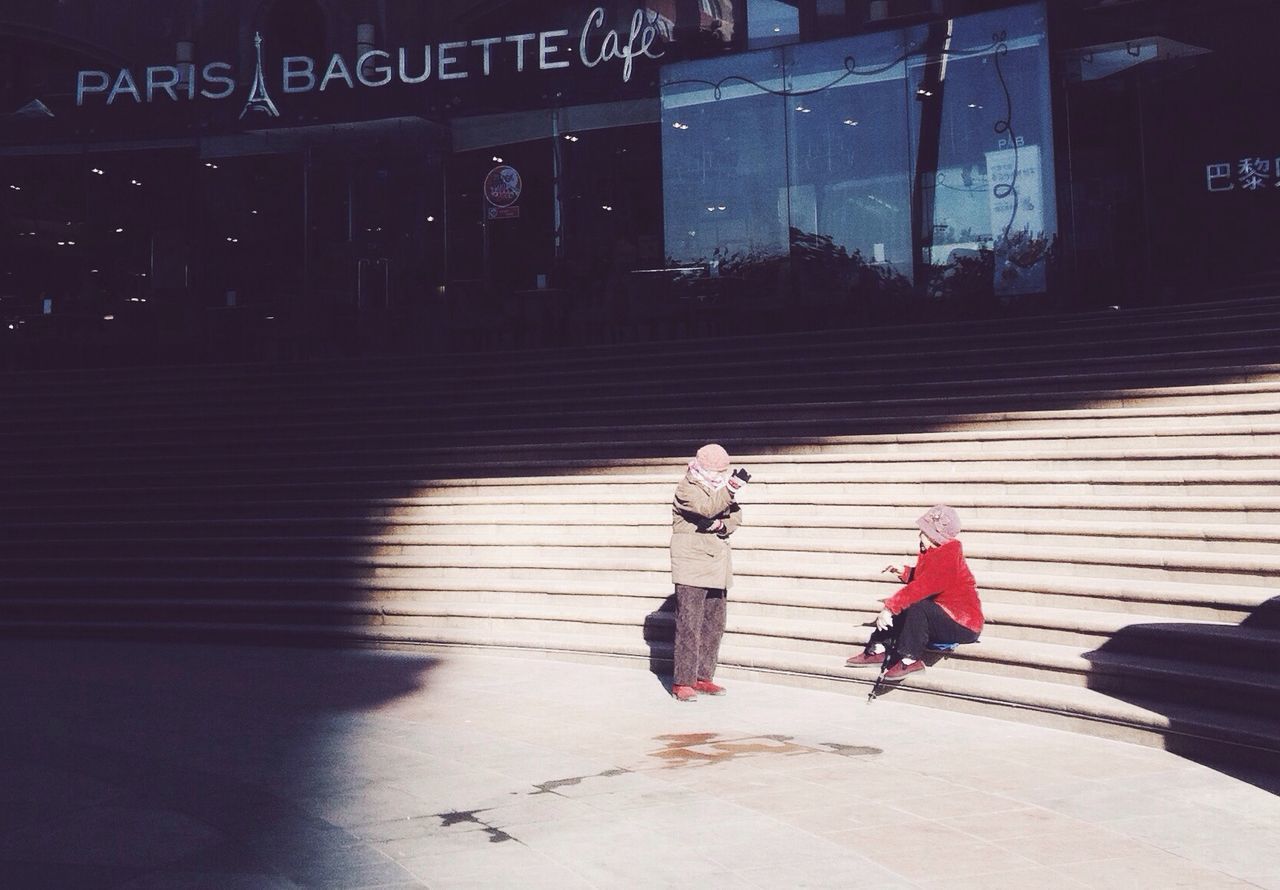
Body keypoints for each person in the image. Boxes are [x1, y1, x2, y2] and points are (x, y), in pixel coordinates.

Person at [845, 505, 982, 681]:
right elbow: (926, 578)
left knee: (916, 606)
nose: (920, 535)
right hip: (943, 614)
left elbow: (925, 586)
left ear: (935, 535)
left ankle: (910, 659)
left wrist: (889, 608)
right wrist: (904, 572)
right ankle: (878, 649)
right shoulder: (936, 551)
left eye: (924, 532)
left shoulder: (948, 555)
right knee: (908, 606)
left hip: (963, 624)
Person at [669, 443, 748, 702]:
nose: (719, 477)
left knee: (714, 624)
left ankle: (704, 676)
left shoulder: (720, 489)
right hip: (692, 563)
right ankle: (682, 681)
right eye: (716, 472)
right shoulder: (687, 487)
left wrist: (721, 525)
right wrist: (730, 489)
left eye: (722, 473)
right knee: (689, 624)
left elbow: (736, 517)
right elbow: (706, 508)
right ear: (701, 468)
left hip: (717, 563)